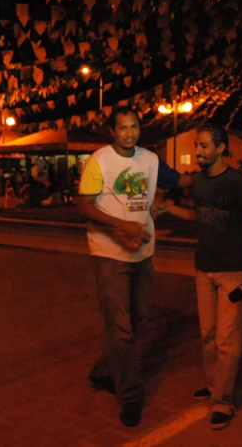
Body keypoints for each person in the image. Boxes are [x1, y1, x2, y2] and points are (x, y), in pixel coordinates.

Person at [154, 123, 242, 430]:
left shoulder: (237, 181)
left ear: (220, 148)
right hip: (203, 268)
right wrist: (168, 208)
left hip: (233, 271)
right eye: (197, 146)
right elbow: (198, 215)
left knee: (228, 340)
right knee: (208, 336)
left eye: (203, 146)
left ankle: (223, 402)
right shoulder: (199, 182)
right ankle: (215, 384)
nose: (198, 152)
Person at [76, 106, 161, 428]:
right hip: (109, 251)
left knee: (137, 321)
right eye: (123, 128)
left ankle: (103, 370)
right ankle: (130, 393)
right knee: (121, 327)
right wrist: (119, 226)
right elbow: (83, 204)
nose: (130, 133)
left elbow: (177, 180)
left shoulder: (150, 160)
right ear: (112, 131)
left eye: (134, 126)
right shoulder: (99, 161)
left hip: (144, 250)